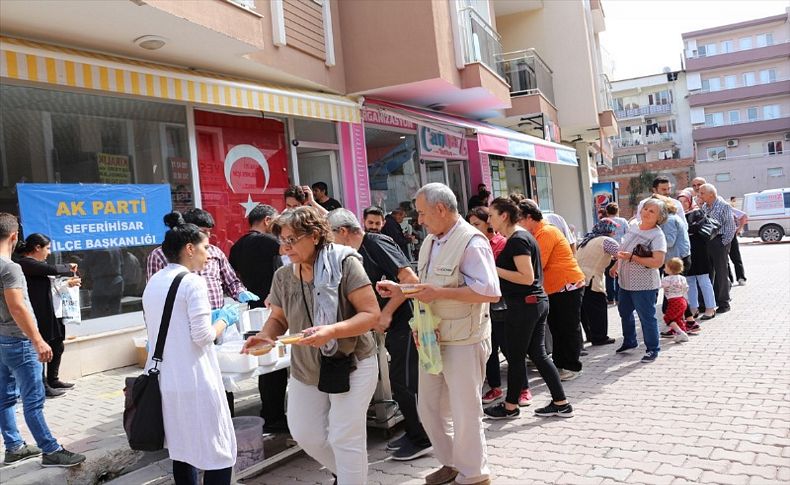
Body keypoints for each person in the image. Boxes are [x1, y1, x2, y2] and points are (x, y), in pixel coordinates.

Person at [242, 207, 380, 485]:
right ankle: (349, 474)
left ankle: (352, 478)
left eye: (292, 240)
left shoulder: (344, 264)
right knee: (306, 434)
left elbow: (371, 315)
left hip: (353, 360)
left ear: (315, 235)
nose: (285, 247)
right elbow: (278, 317)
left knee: (344, 436)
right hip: (307, 366)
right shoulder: (283, 276)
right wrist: (266, 336)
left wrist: (331, 331)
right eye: (282, 240)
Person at [377, 183, 500, 485]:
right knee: (428, 408)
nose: (418, 220)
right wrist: (402, 290)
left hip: (464, 339)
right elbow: (427, 287)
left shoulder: (472, 241)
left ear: (441, 209)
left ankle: (474, 474)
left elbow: (490, 292)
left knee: (465, 410)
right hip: (431, 339)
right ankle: (451, 463)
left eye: (421, 213)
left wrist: (439, 292)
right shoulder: (432, 240)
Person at [327, 209, 432, 461]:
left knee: (405, 382)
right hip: (389, 327)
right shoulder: (355, 253)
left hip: (405, 322)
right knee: (399, 383)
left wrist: (385, 314)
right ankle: (413, 431)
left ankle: (424, 438)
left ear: (343, 231)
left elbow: (410, 280)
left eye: (330, 235)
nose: (330, 243)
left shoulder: (375, 243)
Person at [143, 213, 237, 484]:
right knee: (218, 452)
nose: (209, 255)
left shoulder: (154, 282)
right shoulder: (193, 283)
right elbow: (203, 336)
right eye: (205, 247)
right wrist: (224, 319)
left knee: (182, 450)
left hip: (167, 379)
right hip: (196, 380)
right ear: (189, 249)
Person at [0, 213, 86, 467]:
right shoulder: (10, 267)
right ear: (15, 237)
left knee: (5, 397)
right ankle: (50, 450)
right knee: (33, 400)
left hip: (3, 339)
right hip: (19, 341)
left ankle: (14, 446)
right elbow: (17, 307)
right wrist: (37, 339)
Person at [483, 198, 573, 420]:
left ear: (504, 215)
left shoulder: (518, 240)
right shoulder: (520, 237)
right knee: (537, 354)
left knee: (516, 356)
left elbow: (526, 277)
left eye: (492, 215)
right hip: (532, 303)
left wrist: (493, 270)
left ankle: (511, 407)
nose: (489, 220)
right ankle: (560, 403)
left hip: (526, 304)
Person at [228, 204, 288, 434]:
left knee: (265, 361)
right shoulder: (272, 243)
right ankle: (274, 415)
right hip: (275, 308)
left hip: (251, 309)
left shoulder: (237, 247)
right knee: (276, 362)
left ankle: (270, 412)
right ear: (267, 220)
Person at [518, 199, 586, 382]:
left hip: (567, 285)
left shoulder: (546, 232)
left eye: (520, 220)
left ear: (530, 218)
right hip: (556, 288)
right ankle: (561, 364)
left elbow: (539, 263)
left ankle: (572, 366)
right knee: (557, 328)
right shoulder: (539, 232)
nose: (519, 224)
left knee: (568, 327)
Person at [146, 208, 257, 310]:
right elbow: (153, 295)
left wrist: (240, 292)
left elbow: (231, 281)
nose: (208, 235)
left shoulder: (216, 252)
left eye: (209, 231)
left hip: (218, 320)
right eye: (203, 231)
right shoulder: (160, 255)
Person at [15, 233, 81, 397]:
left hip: (51, 310)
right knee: (42, 349)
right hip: (38, 314)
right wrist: (68, 267)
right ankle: (42, 386)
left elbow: (52, 282)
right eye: (47, 248)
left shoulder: (37, 265)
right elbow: (51, 270)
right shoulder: (25, 264)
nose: (49, 252)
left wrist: (67, 282)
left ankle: (53, 379)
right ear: (37, 248)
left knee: (57, 344)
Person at [467, 207, 519, 405]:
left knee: (509, 348)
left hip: (502, 304)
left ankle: (522, 388)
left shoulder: (502, 243)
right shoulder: (471, 244)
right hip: (482, 306)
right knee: (490, 350)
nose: (473, 228)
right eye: (471, 225)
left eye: (477, 224)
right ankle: (495, 388)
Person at [610, 198, 667, 363]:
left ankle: (652, 349)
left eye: (652, 211)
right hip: (625, 282)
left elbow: (657, 262)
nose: (647, 213)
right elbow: (623, 249)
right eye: (646, 209)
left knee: (646, 317)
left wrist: (633, 258)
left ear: (659, 217)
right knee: (624, 313)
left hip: (644, 285)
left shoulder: (657, 235)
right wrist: (616, 265)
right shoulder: (634, 226)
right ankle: (630, 342)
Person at [575, 219, 620, 346]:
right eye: (613, 231)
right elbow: (622, 255)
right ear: (608, 230)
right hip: (592, 278)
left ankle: (590, 335)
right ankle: (600, 337)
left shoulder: (587, 240)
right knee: (598, 308)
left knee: (586, 310)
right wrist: (614, 267)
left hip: (579, 278)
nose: (614, 234)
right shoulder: (607, 241)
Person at [698, 184, 736, 314]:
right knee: (709, 273)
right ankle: (709, 302)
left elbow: (731, 227)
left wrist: (723, 244)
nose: (699, 195)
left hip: (719, 241)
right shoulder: (704, 206)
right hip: (707, 242)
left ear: (711, 194)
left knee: (721, 273)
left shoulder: (724, 206)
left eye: (702, 193)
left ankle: (724, 302)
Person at [679, 193, 717, 321]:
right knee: (690, 281)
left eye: (685, 201)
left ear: (690, 201)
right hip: (686, 252)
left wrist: (689, 229)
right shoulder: (677, 215)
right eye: (680, 201)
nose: (683, 204)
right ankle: (693, 309)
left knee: (703, 280)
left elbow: (695, 228)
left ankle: (710, 308)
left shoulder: (697, 212)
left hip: (700, 251)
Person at [660, 258, 690, 343]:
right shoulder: (682, 278)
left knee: (667, 318)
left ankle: (680, 333)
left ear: (670, 269)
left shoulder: (666, 279)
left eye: (665, 267)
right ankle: (683, 334)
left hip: (673, 301)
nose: (664, 269)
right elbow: (686, 288)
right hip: (682, 300)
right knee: (678, 319)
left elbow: (659, 286)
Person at [604, 203, 629, 305]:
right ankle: (619, 298)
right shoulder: (623, 221)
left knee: (608, 276)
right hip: (621, 250)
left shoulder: (605, 222)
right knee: (619, 275)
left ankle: (610, 298)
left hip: (608, 251)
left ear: (607, 211)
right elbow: (628, 234)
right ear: (617, 211)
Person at [728, 207, 748, 286]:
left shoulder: (726, 206)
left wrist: (739, 229)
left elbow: (743, 215)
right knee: (724, 261)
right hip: (720, 236)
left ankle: (741, 278)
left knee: (736, 258)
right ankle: (729, 279)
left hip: (731, 235)